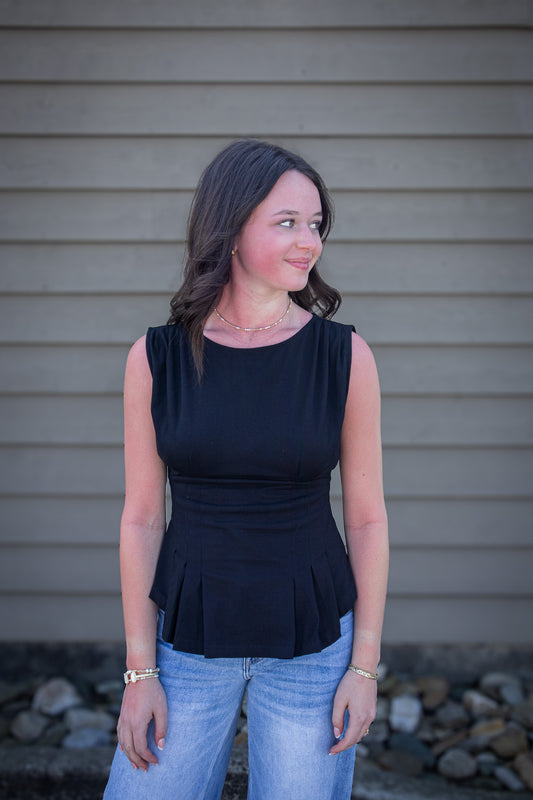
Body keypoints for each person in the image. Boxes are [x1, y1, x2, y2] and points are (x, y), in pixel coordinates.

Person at [103, 139, 389, 800]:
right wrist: (140, 675)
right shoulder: (157, 358)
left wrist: (364, 668)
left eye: (315, 224)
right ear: (228, 229)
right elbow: (143, 518)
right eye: (286, 222)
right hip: (188, 643)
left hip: (312, 645)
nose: (308, 241)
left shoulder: (343, 357)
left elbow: (368, 518)